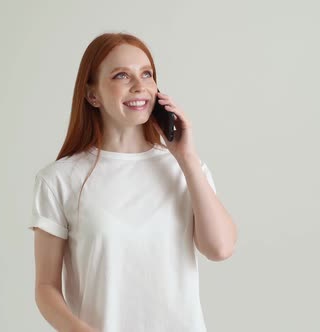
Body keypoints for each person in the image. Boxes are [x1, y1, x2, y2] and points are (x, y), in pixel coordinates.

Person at [28, 32, 237, 332]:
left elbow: (220, 248)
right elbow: (46, 287)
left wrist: (186, 158)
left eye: (147, 74)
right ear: (92, 95)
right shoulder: (59, 180)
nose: (139, 86)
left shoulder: (185, 168)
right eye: (121, 75)